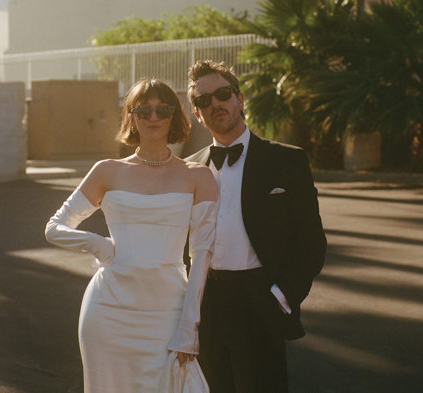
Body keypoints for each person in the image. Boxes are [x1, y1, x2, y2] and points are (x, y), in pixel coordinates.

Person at [45, 78, 218, 393]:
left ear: (174, 117)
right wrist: (97, 245)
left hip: (168, 312)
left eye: (163, 109)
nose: (153, 117)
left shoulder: (198, 176)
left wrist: (188, 325)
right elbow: (54, 227)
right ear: (131, 117)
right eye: (144, 110)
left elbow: (202, 254)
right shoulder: (106, 171)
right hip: (108, 310)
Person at [185, 60, 326, 393]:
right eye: (204, 101)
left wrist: (281, 296)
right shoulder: (189, 170)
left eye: (222, 94)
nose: (215, 104)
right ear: (196, 114)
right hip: (206, 305)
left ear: (240, 99)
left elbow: (310, 242)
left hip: (260, 301)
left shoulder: (287, 161)